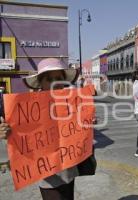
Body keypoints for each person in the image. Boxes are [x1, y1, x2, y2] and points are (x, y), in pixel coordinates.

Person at [0, 58, 83, 200]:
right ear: (40, 82)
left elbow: (79, 133)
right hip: (47, 177)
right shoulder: (28, 109)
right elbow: (21, 139)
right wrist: (6, 134)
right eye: (49, 79)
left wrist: (87, 122)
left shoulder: (71, 102)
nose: (55, 83)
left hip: (68, 172)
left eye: (58, 78)